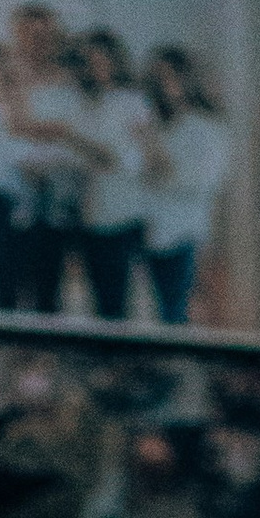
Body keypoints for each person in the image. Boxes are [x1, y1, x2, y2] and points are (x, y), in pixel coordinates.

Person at [0, 4, 91, 314]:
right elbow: (3, 130)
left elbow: (73, 134)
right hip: (8, 196)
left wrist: (30, 128)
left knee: (48, 287)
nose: (37, 41)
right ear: (16, 35)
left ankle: (42, 343)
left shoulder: (69, 85)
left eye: (45, 35)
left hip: (54, 195)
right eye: (29, 34)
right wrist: (46, 130)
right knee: (6, 287)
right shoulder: (1, 79)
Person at [136, 47, 233, 326]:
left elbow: (205, 180)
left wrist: (159, 166)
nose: (163, 85)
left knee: (178, 314)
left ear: (187, 78)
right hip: (151, 233)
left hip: (186, 235)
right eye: (157, 78)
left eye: (170, 77)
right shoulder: (154, 125)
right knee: (157, 313)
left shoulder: (207, 129)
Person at [67, 29, 157, 324]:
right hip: (89, 213)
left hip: (124, 212)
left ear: (116, 62)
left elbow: (138, 159)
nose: (96, 68)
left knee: (122, 300)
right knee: (97, 297)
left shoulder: (134, 102)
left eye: (102, 61)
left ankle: (122, 350)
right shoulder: (82, 103)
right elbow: (74, 158)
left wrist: (95, 153)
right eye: (90, 62)